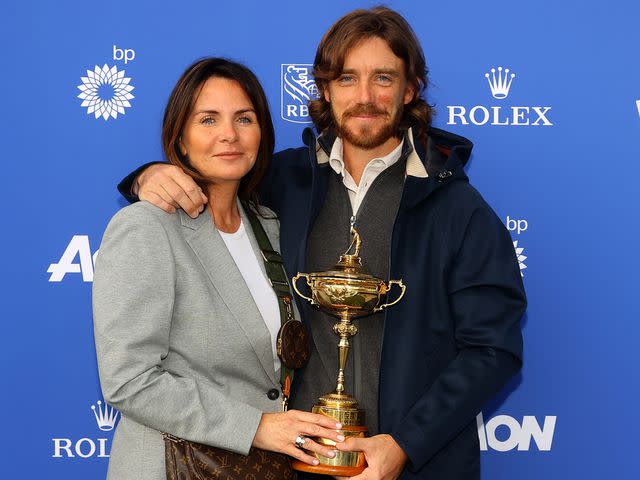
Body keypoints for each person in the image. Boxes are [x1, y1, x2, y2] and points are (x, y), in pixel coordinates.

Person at [118, 7, 527, 480]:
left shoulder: (459, 208)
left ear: (410, 89)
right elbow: (212, 166)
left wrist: (405, 445)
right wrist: (145, 177)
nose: (366, 96)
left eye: (384, 78)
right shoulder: (280, 181)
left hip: (409, 467)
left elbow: (492, 350)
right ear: (326, 90)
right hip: (288, 466)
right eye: (348, 78)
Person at [93, 57, 346, 480]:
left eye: (244, 119)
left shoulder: (267, 225)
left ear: (261, 133)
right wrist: (257, 427)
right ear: (181, 137)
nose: (229, 134)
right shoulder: (146, 226)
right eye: (208, 119)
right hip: (172, 467)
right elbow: (129, 379)